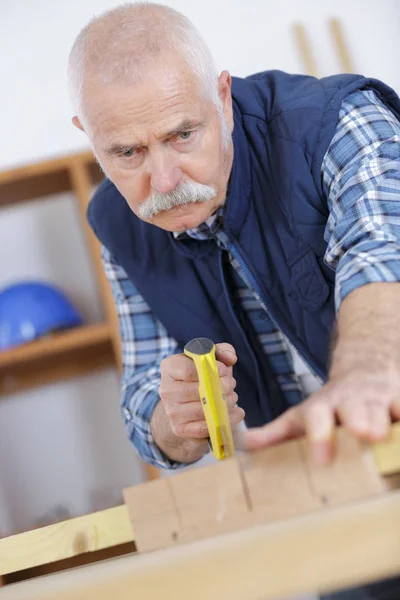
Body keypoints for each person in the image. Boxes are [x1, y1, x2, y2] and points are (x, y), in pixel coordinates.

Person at [68, 4, 400, 598]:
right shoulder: (116, 221)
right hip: (320, 501)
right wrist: (171, 421)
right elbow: (144, 387)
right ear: (88, 139)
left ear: (222, 97)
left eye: (182, 135)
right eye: (127, 153)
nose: (164, 181)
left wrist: (370, 373)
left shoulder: (336, 122)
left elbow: (383, 256)